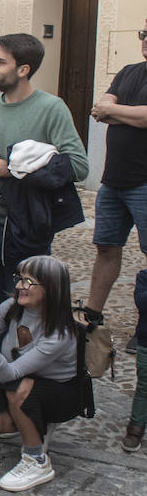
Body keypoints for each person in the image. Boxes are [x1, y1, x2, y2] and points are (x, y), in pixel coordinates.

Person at [0, 34, 88, 423]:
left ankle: (17, 397)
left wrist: (17, 170)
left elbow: (79, 166)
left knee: (22, 313)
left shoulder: (52, 108)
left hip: (26, 229)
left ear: (23, 69)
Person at [0, 255, 83, 492]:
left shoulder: (61, 332)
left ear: (50, 289)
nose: (18, 286)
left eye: (27, 282)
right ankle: (38, 425)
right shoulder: (11, 308)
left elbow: (8, 375)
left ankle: (37, 460)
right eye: (19, 279)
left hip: (61, 395)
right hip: (21, 385)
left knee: (21, 389)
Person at [84, 20, 147, 338]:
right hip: (113, 181)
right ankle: (92, 316)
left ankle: (145, 327)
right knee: (106, 248)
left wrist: (117, 111)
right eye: (144, 33)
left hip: (145, 183)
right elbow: (99, 108)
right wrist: (130, 113)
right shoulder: (128, 71)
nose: (145, 40)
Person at [125, 268, 147, 452]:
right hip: (146, 344)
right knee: (143, 387)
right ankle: (135, 428)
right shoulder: (144, 277)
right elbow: (142, 302)